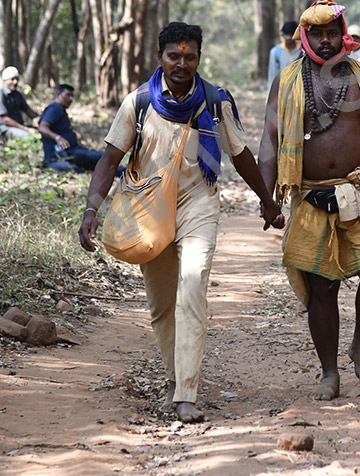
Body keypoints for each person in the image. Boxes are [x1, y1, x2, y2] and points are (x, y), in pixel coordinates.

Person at [79, 22, 284, 424]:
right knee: (161, 305)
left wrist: (267, 200)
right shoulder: (137, 103)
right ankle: (175, 378)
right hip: (148, 209)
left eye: (190, 57)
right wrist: (91, 209)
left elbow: (240, 154)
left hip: (198, 204)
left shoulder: (213, 101)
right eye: (174, 55)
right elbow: (109, 159)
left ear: (199, 60)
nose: (182, 63)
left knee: (191, 289)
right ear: (160, 57)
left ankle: (186, 392)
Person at [259, 0, 360, 401]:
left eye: (332, 33)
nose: (326, 41)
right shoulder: (288, 81)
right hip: (311, 195)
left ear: (343, 34)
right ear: (304, 37)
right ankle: (329, 373)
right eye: (317, 34)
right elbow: (269, 142)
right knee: (322, 288)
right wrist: (267, 197)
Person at [38, 84, 103, 172]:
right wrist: (57, 137)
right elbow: (42, 127)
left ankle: (123, 171)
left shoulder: (60, 109)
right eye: (68, 95)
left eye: (72, 96)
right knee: (102, 157)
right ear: (58, 95)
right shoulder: (54, 108)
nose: (71, 99)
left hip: (73, 150)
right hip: (61, 155)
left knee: (100, 159)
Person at [0, 66, 38, 141]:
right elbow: (5, 120)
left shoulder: (17, 95)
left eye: (16, 79)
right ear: (5, 80)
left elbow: (29, 112)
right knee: (30, 137)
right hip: (5, 129)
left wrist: (41, 120)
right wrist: (26, 129)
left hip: (19, 127)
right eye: (12, 79)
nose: (15, 82)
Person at [267, 20, 301, 92]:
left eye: (291, 34)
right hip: (281, 89)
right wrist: (270, 95)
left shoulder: (302, 51)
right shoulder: (275, 52)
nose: (288, 37)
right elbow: (271, 75)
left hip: (298, 90)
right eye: (286, 34)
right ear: (283, 35)